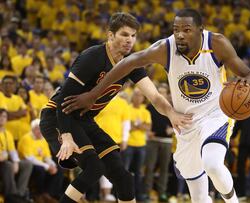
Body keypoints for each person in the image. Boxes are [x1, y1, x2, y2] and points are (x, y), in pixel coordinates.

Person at [61, 8, 250, 203]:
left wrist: (248, 85)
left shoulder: (217, 43)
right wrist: (93, 94)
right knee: (198, 197)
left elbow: (248, 74)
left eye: (187, 29)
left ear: (200, 30)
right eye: (176, 29)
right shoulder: (165, 49)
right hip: (186, 122)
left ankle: (232, 201)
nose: (180, 34)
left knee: (212, 164)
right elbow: (128, 63)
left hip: (215, 115)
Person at [39, 12, 191, 203]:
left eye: (133, 36)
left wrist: (171, 113)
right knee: (94, 168)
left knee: (124, 178)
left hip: (84, 119)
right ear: (110, 36)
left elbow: (154, 95)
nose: (130, 40)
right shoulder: (92, 56)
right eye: (124, 35)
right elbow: (63, 99)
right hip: (58, 116)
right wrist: (67, 137)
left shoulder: (133, 63)